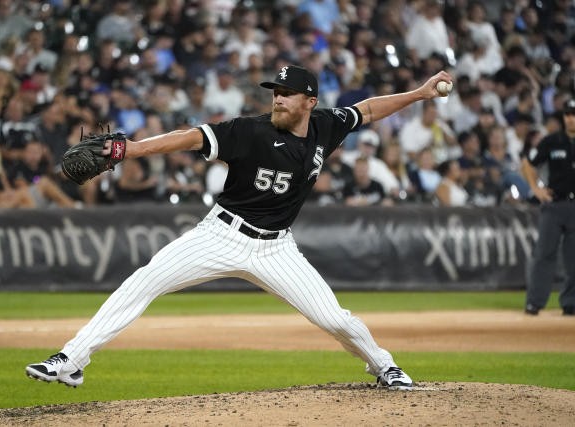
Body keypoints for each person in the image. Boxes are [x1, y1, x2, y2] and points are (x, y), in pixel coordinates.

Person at [25, 65, 453, 389]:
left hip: (277, 250)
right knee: (144, 281)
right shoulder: (248, 131)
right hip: (220, 235)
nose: (278, 99)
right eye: (275, 92)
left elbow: (369, 110)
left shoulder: (326, 125)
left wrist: (418, 93)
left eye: (287, 94)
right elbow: (191, 136)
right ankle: (71, 358)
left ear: (309, 101)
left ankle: (384, 366)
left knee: (335, 319)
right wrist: (134, 149)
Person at [521, 99, 575, 316]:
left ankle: (571, 302)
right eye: (568, 114)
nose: (571, 118)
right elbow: (528, 163)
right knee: (544, 254)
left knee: (574, 258)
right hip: (554, 204)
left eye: (574, 114)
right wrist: (535, 188)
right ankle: (534, 302)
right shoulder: (552, 141)